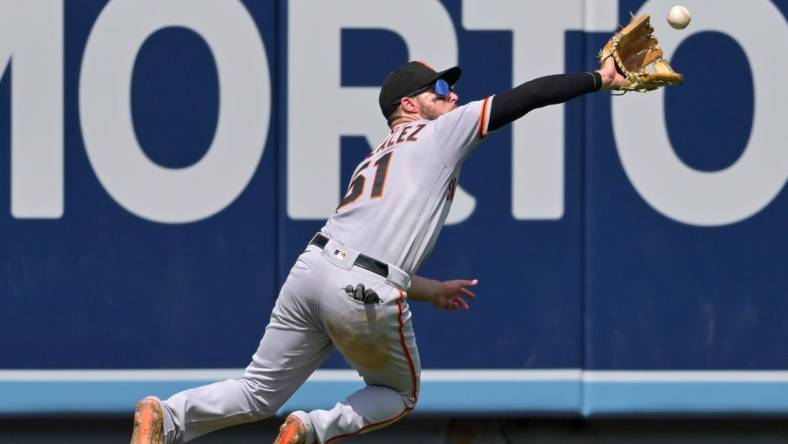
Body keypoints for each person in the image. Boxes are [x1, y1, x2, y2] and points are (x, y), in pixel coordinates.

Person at [130, 56, 625, 444]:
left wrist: (430, 290)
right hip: (362, 288)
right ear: (409, 105)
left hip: (313, 268)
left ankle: (167, 415)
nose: (451, 95)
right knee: (399, 394)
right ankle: (309, 430)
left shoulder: (380, 153)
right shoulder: (439, 134)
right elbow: (530, 96)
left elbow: (368, 245)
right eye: (438, 89)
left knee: (258, 391)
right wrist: (600, 79)